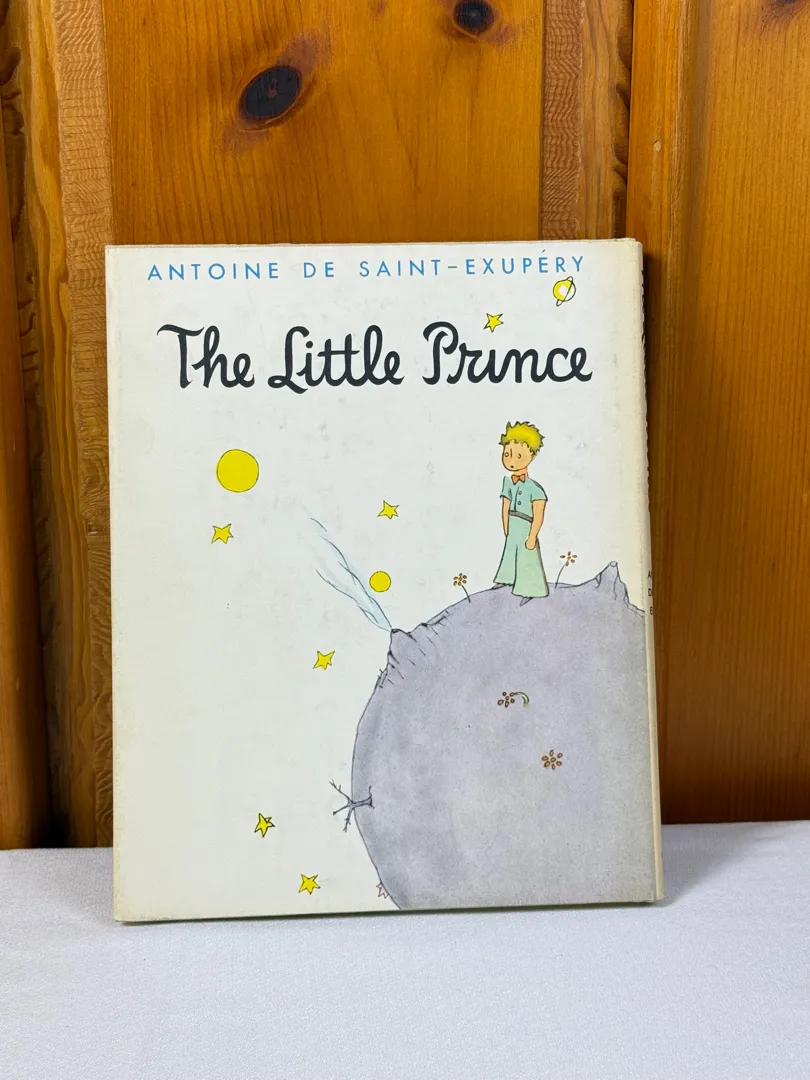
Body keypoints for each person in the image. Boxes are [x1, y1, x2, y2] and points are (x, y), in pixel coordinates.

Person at [493, 421, 548, 602]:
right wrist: (506, 527)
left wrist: (532, 536)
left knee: (527, 557)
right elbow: (505, 507)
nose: (511, 460)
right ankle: (506, 580)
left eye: (518, 456)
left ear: (531, 455)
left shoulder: (535, 489)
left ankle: (531, 590)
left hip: (526, 526)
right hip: (513, 525)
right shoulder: (508, 483)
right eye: (507, 454)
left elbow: (538, 515)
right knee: (510, 553)